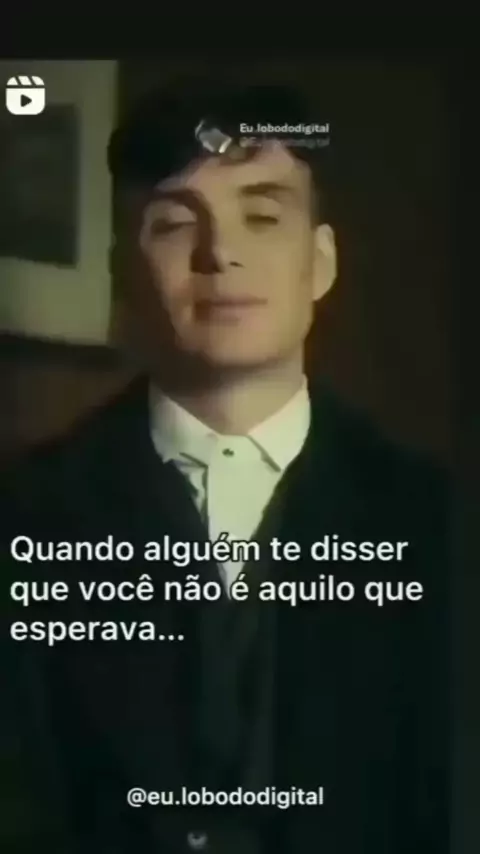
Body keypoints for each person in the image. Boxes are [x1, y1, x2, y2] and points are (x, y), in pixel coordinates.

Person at [1, 83, 451, 853]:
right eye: (176, 223)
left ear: (321, 262)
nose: (221, 253)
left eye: (263, 216)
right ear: (122, 272)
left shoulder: (438, 519)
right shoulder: (24, 514)